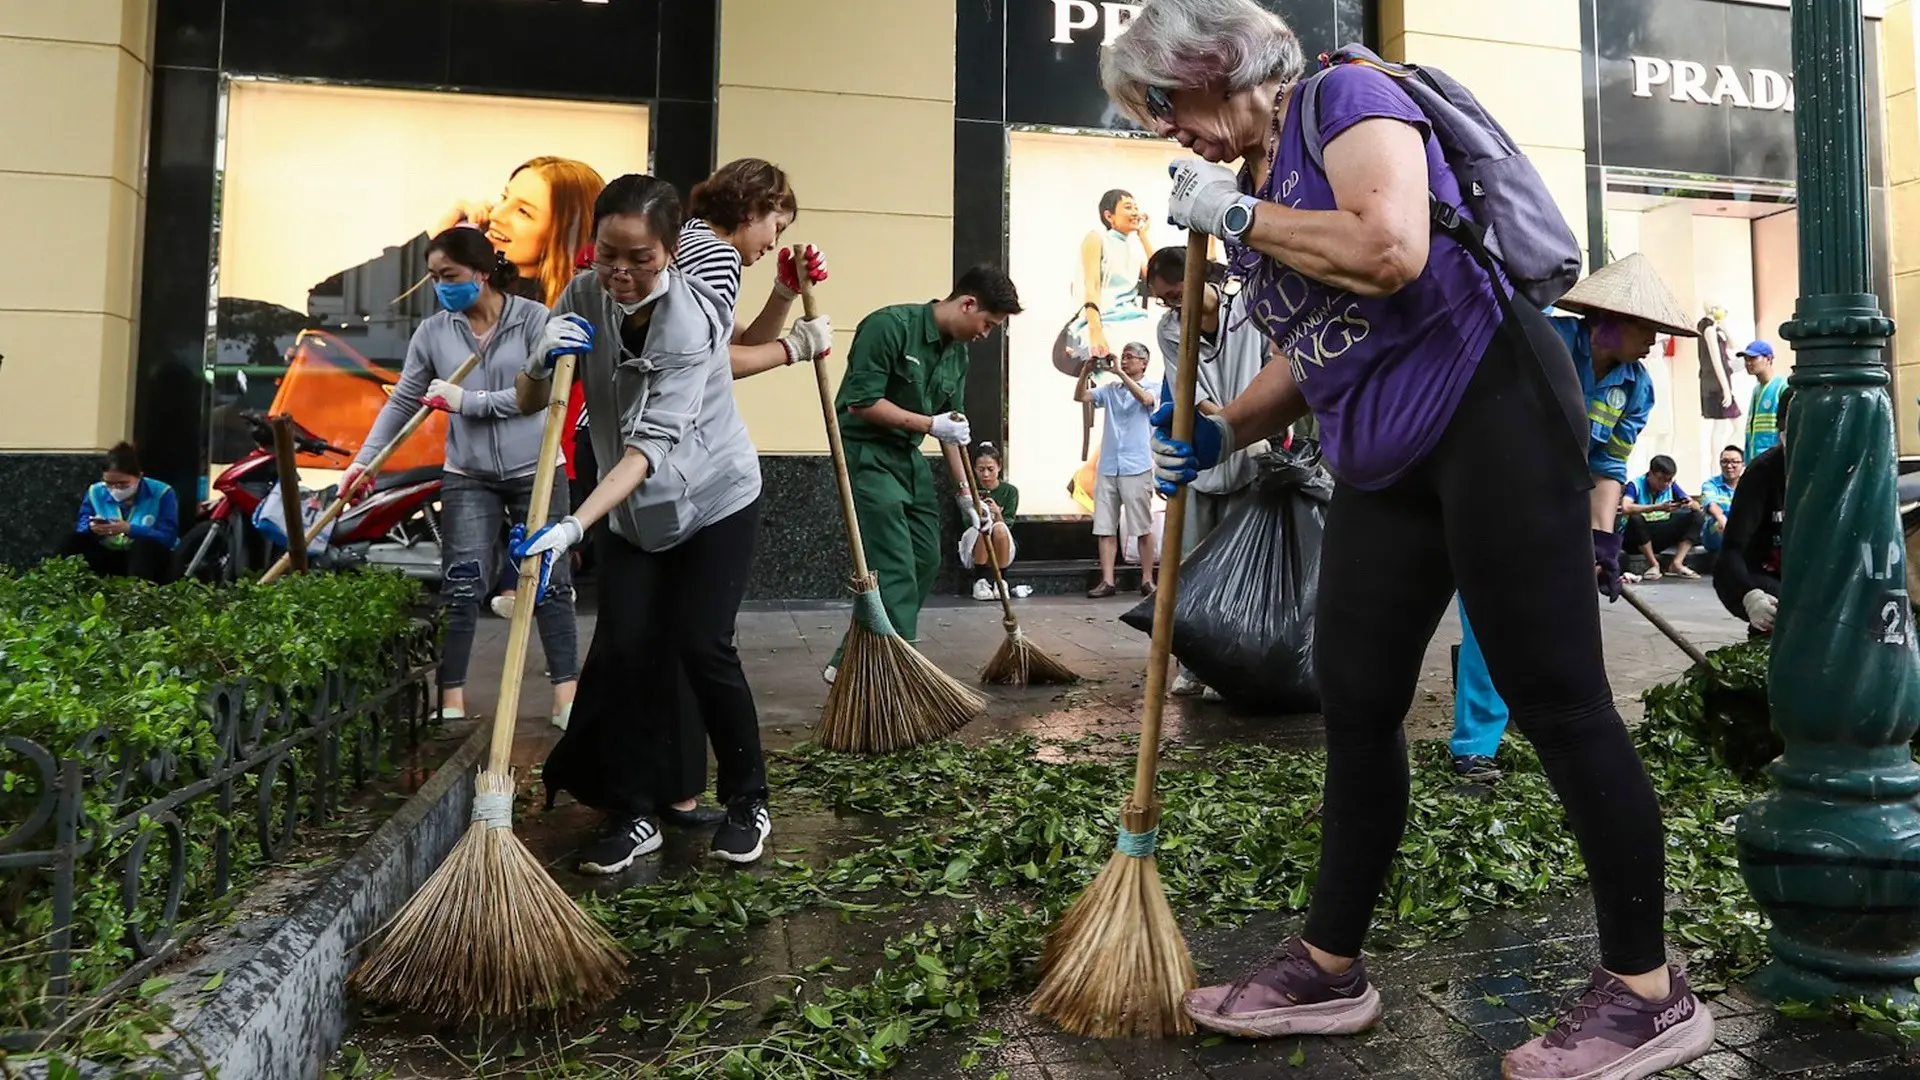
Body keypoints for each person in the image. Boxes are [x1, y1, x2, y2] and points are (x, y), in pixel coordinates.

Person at [1103, 3, 1712, 1077]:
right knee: (1358, 690)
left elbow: (1390, 250)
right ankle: (1330, 966)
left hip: (1495, 407)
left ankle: (1647, 992)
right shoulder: (1249, 182)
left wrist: (1236, 225)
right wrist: (1221, 427)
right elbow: (1328, 342)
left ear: (1211, 67)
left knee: (1555, 696)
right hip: (1384, 445)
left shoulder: (1343, 96)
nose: (1165, 133)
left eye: (1159, 104)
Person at [512, 174, 773, 870]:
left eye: (642, 259)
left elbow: (648, 450)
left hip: (713, 500)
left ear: (671, 253)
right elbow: (531, 397)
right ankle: (634, 814)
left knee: (702, 645)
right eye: (609, 255)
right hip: (632, 515)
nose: (622, 273)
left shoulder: (689, 325)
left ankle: (749, 800)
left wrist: (573, 525)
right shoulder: (581, 295)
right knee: (624, 651)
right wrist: (539, 358)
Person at [1447, 254, 1686, 782]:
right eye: (1646, 328)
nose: (1653, 342)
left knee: (1541, 621)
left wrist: (1603, 541)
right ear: (1608, 321)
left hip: (1556, 505)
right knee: (1490, 619)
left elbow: (1608, 465)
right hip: (1487, 489)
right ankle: (1474, 746)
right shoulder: (1539, 340)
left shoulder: (1637, 385)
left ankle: (1534, 723)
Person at [342, 227, 580, 728]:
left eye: (448, 276)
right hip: (467, 473)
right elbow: (404, 400)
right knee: (461, 584)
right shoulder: (434, 332)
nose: (440, 287)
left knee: (551, 582)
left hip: (537, 468)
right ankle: (450, 699)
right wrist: (365, 463)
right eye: (433, 277)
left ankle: (566, 696)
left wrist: (466, 403)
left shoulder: (536, 321)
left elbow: (534, 397)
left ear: (482, 272)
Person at [822, 266, 1025, 684]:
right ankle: (898, 672)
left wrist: (968, 497)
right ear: (967, 303)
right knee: (894, 566)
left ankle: (850, 658)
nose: (986, 334)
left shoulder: (958, 352)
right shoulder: (889, 327)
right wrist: (932, 425)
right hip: (867, 453)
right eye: (987, 323)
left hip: (908, 457)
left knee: (927, 559)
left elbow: (952, 428)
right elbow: (862, 403)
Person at [1144, 244, 1267, 696]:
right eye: (1165, 300)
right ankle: (1195, 663)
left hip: (1259, 451)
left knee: (1241, 565)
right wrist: (1228, 424)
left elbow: (1273, 367)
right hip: (1209, 449)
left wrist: (1256, 425)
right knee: (1193, 562)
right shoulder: (1170, 330)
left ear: (1198, 276)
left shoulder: (1248, 302)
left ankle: (1230, 666)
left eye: (1177, 293)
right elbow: (1186, 385)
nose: (1174, 306)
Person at [677, 158, 833, 379]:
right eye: (777, 228)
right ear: (752, 208)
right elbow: (705, 362)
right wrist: (795, 346)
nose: (773, 244)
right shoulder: (717, 255)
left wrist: (784, 292)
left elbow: (744, 344)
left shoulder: (690, 238)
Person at [1076, 342, 1160, 598]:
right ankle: (1108, 581)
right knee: (1105, 527)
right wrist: (1085, 372)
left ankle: (1147, 579)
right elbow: (1082, 397)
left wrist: (1120, 374)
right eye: (1122, 357)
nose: (1123, 361)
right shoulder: (1111, 390)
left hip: (1137, 465)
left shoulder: (1154, 386)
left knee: (1142, 526)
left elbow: (1146, 400)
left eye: (1129, 357)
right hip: (1109, 466)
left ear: (1144, 362)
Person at [1716, 389, 1790, 636]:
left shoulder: (1844, 469)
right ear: (1782, 433)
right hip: (1771, 578)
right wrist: (1749, 595)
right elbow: (1731, 550)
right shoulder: (1763, 473)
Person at [63, 441, 178, 582]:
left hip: (147, 558)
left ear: (139, 476)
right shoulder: (96, 491)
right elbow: (82, 523)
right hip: (109, 552)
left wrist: (130, 529)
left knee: (143, 547)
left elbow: (167, 537)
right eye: (109, 484)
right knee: (73, 541)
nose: (115, 489)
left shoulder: (162, 492)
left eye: (123, 484)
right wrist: (92, 527)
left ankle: (137, 596)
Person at [1622, 455, 1704, 581]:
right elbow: (1626, 507)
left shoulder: (1671, 486)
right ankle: (1654, 564)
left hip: (1660, 533)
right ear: (1651, 474)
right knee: (1635, 519)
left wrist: (1689, 503)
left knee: (1697, 516)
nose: (1665, 484)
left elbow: (1697, 507)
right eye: (1661, 479)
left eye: (1668, 480)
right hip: (1636, 538)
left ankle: (1677, 563)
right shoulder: (1635, 485)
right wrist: (1656, 507)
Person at [960, 442, 1021, 601]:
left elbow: (1008, 523)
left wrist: (997, 514)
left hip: (1002, 541)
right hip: (974, 540)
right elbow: (967, 522)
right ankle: (979, 581)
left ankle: (1001, 582)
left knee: (999, 528)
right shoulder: (968, 491)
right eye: (981, 470)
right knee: (983, 527)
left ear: (999, 467)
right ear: (974, 469)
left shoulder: (1010, 491)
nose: (986, 475)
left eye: (990, 469)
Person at [1742, 340, 1788, 460]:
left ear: (1768, 359)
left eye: (1752, 358)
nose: (1748, 363)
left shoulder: (1782, 387)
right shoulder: (1756, 390)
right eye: (1746, 359)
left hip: (1772, 460)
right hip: (1755, 459)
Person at [1699, 446, 1744, 554]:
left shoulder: (1749, 484)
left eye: (1734, 462)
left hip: (1741, 528)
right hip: (1716, 531)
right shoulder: (1710, 484)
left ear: (1743, 464)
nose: (1729, 466)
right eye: (1725, 462)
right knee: (1716, 521)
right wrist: (1721, 518)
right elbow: (1711, 504)